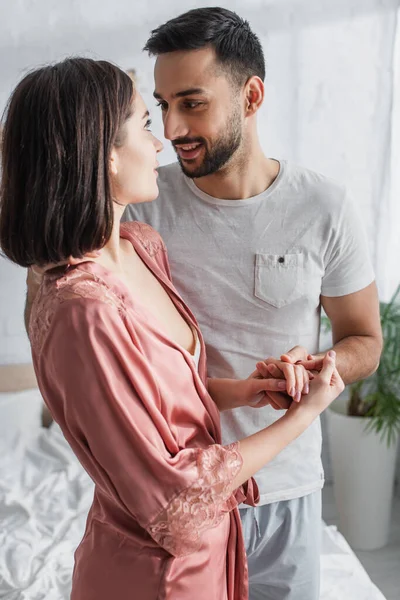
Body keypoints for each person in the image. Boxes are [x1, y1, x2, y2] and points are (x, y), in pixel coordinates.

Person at [0, 58, 345, 600]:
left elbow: (162, 398)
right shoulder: (80, 311)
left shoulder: (141, 248)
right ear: (105, 157)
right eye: (144, 122)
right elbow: (172, 500)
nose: (161, 141)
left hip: (209, 560)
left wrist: (247, 392)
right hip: (155, 579)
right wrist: (304, 417)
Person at [124, 7, 383, 600]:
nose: (172, 129)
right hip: (185, 496)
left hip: (289, 488)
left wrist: (323, 367)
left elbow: (364, 339)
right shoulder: (140, 207)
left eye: (192, 103)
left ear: (251, 95)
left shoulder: (325, 207)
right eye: (162, 106)